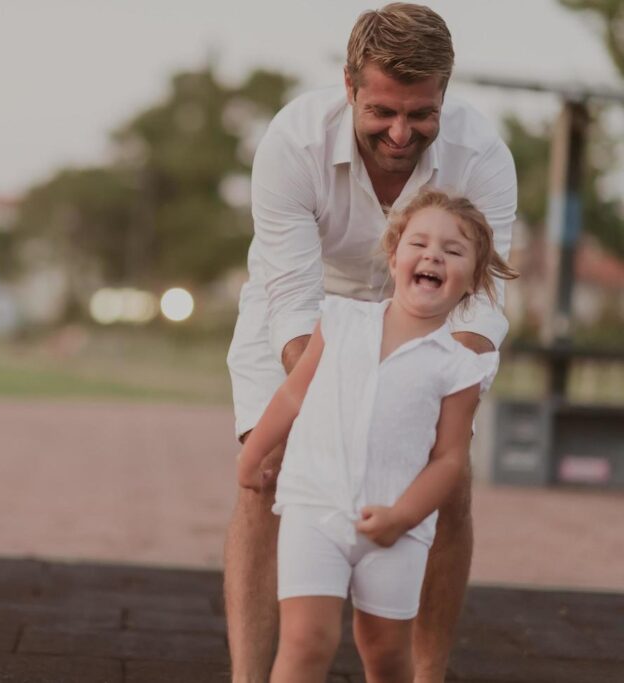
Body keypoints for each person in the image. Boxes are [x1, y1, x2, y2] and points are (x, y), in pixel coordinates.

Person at [223, 4, 517, 681]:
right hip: (301, 312)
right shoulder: (291, 142)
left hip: (427, 312)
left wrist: (438, 385)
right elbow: (293, 307)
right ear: (350, 85)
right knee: (267, 473)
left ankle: (426, 674)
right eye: (382, 110)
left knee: (451, 478)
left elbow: (485, 299)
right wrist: (333, 409)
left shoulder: (483, 155)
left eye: (421, 114)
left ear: (444, 93)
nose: (400, 131)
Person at [235, 189, 519, 683]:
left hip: (396, 531)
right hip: (314, 510)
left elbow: (449, 460)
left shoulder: (459, 369)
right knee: (306, 641)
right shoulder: (341, 321)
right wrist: (254, 454)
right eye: (420, 243)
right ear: (394, 256)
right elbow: (291, 398)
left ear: (472, 281)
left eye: (453, 251)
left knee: (386, 656)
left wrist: (402, 516)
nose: (433, 255)